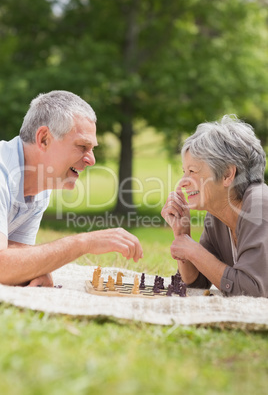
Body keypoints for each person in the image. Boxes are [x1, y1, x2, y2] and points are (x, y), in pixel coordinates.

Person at [0, 90, 143, 287]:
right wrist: (84, 243)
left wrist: (36, 269)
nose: (91, 160)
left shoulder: (39, 189)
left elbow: (18, 257)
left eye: (92, 149)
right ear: (44, 139)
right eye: (82, 146)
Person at [161, 115, 268, 297]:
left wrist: (194, 251)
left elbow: (253, 291)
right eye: (184, 172)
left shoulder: (260, 204)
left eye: (192, 171)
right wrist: (182, 234)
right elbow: (198, 281)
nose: (182, 182)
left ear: (227, 174)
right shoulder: (217, 214)